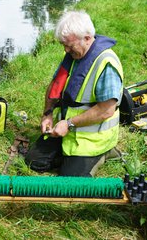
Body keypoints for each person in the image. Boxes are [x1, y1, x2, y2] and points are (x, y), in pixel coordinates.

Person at [29, 10, 123, 177]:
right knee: (33, 161)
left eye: (69, 45)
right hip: (66, 132)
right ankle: (67, 157)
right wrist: (48, 114)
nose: (65, 50)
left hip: (93, 141)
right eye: (63, 45)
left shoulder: (106, 63)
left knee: (69, 182)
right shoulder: (74, 56)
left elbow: (106, 110)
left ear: (87, 38)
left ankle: (106, 153)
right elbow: (54, 86)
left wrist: (69, 124)